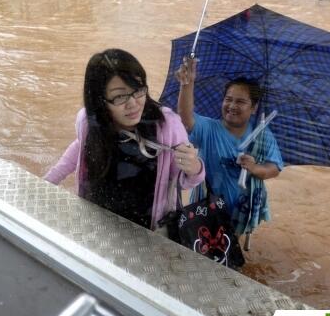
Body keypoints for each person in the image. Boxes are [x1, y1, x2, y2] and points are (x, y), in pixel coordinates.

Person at [44, 49, 205, 230]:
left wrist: (195, 168)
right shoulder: (89, 121)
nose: (133, 103)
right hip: (94, 218)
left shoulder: (167, 127)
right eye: (120, 96)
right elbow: (81, 147)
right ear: (100, 99)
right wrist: (49, 181)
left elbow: (183, 181)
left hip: (146, 229)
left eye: (138, 90)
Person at [176, 57, 283, 218]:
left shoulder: (262, 134)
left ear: (254, 108)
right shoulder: (209, 128)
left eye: (240, 102)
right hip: (205, 204)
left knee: (232, 242)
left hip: (242, 209)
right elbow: (186, 118)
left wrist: (254, 168)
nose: (232, 106)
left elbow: (274, 168)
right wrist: (187, 83)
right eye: (228, 99)